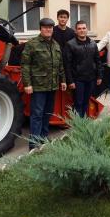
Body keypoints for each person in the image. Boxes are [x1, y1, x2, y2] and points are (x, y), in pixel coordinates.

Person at [21, 18, 67, 150]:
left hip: (52, 86)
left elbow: (60, 65)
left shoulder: (56, 45)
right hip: (38, 86)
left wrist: (63, 80)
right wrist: (27, 84)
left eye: (50, 27)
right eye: (45, 27)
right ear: (40, 29)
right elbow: (25, 65)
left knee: (47, 113)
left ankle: (43, 138)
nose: (48, 29)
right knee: (37, 114)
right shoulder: (32, 44)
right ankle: (34, 144)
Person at [64, 20, 102, 117]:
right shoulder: (70, 44)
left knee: (86, 102)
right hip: (77, 80)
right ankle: (77, 126)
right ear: (76, 31)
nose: (82, 30)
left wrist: (99, 76)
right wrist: (70, 81)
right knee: (78, 103)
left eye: (84, 28)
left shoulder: (93, 43)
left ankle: (83, 123)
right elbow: (67, 64)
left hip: (90, 78)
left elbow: (97, 61)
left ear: (87, 29)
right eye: (79, 29)